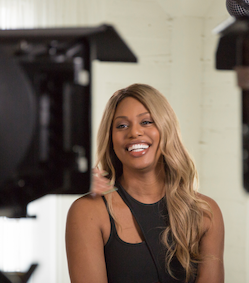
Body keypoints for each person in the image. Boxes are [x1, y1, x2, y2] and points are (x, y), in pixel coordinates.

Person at [65, 83, 224, 283]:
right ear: (111, 138)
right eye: (122, 125)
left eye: (147, 122)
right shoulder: (88, 212)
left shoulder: (206, 212)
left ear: (166, 129)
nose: (134, 133)